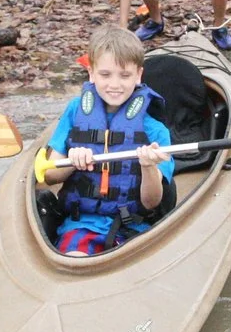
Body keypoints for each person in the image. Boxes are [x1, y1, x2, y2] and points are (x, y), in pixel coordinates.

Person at [39, 25, 174, 256]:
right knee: (76, 261)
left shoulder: (155, 130)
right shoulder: (75, 111)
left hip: (134, 227)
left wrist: (148, 166)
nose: (114, 84)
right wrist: (73, 160)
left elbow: (152, 202)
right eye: (105, 74)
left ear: (139, 75)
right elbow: (50, 176)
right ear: (91, 72)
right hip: (80, 224)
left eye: (125, 75)